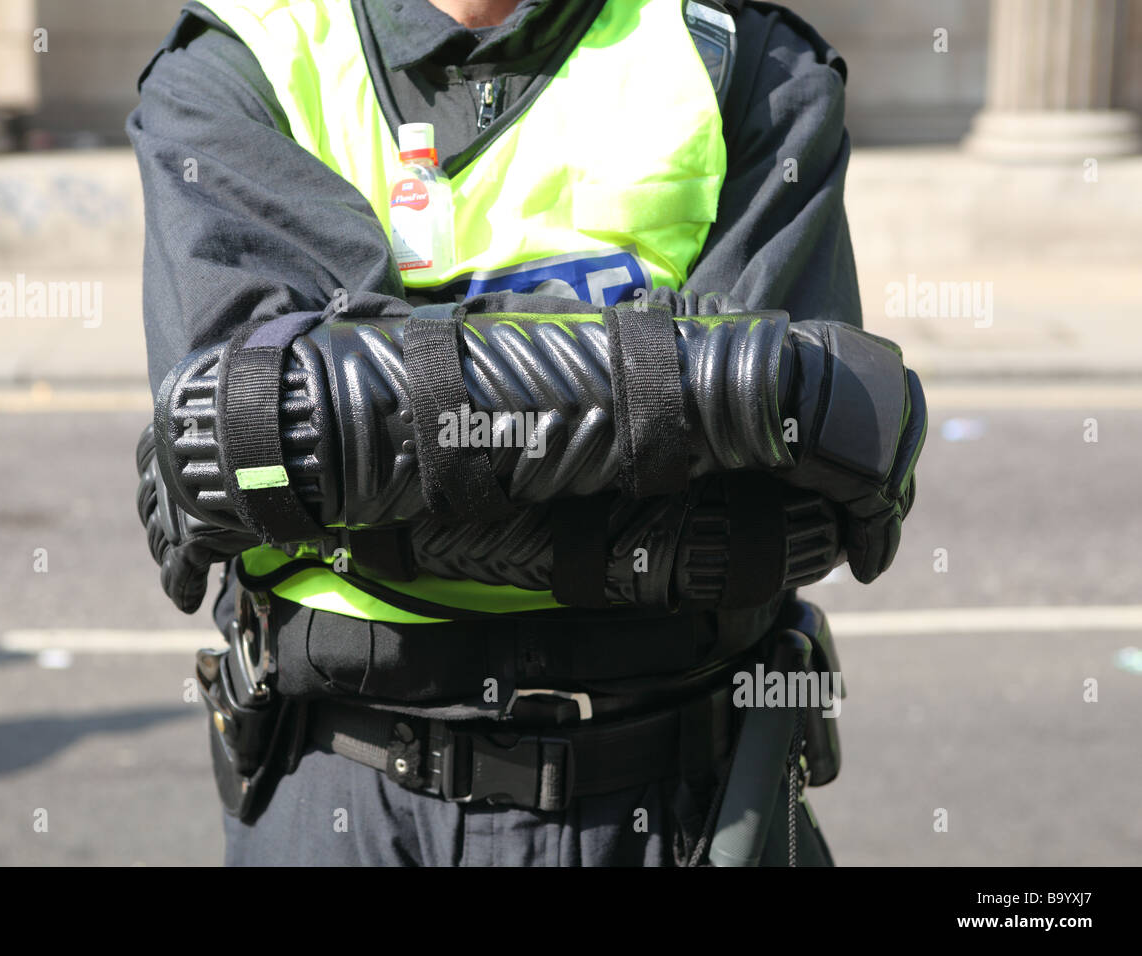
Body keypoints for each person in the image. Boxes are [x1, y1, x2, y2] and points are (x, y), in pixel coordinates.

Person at [129, 0, 926, 866]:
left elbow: (776, 508)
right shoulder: (245, 54)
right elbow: (251, 437)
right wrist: (705, 385)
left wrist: (372, 427)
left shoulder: (746, 60)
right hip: (341, 793)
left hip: (679, 800)